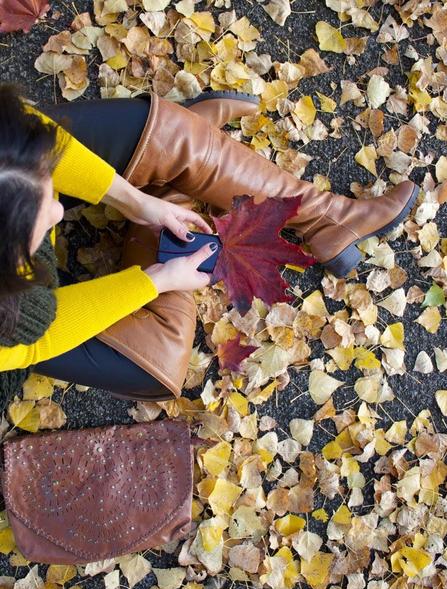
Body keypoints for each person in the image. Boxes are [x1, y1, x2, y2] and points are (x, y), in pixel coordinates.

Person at [0, 82, 420, 409]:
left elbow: (41, 145)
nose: (56, 211)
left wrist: (135, 201)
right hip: (18, 330)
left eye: (47, 193)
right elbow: (39, 334)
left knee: (171, 136)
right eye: (43, 216)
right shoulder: (15, 316)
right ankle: (177, 178)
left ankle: (329, 220)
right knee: (157, 363)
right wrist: (156, 280)